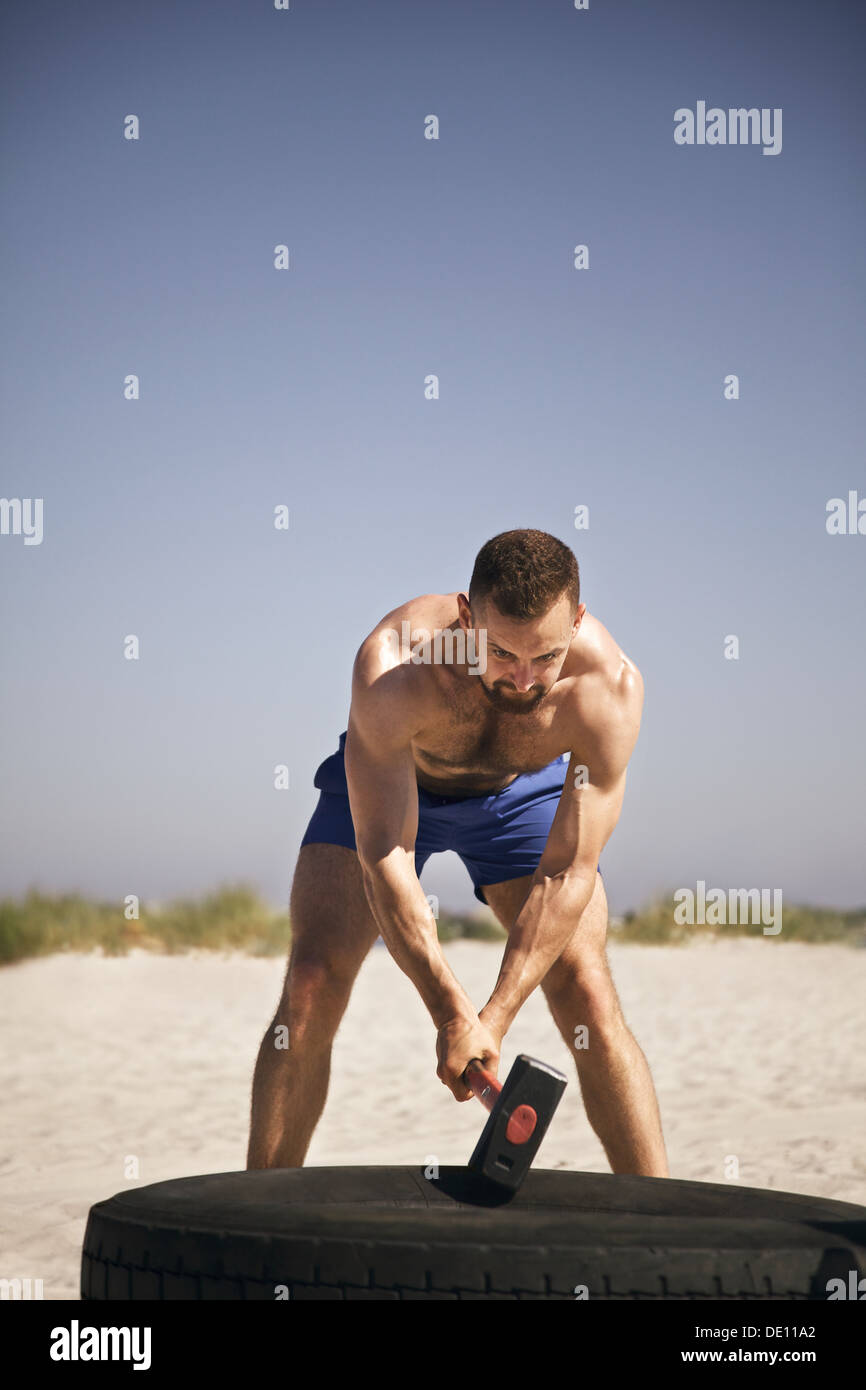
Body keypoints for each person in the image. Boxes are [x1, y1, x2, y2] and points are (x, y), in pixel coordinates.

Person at [246, 529, 668, 1177]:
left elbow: (567, 871)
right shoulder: (397, 665)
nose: (524, 680)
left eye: (545, 657)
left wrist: (492, 1020)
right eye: (501, 652)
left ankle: (658, 1225)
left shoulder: (606, 688)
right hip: (390, 785)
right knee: (310, 982)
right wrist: (450, 1013)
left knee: (586, 987)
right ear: (467, 616)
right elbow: (385, 851)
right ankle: (259, 1220)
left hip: (520, 796)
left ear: (577, 621)